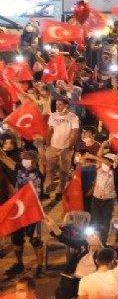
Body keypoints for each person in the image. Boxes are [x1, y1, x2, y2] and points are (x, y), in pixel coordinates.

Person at [5, 150, 45, 278]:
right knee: (16, 239)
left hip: (33, 211)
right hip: (19, 210)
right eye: (23, 158)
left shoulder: (39, 172)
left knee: (35, 240)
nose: (24, 160)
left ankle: (40, 266)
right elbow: (3, 157)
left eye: (27, 158)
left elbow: (43, 161)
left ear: (34, 161)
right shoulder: (18, 169)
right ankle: (19, 264)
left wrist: (40, 148)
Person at [44, 98, 79, 200]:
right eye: (56, 104)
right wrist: (48, 144)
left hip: (65, 148)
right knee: (50, 170)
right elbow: (49, 130)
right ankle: (46, 190)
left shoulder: (73, 117)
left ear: (66, 105)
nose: (57, 106)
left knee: (63, 171)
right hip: (53, 147)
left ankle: (60, 191)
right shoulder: (53, 116)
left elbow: (74, 133)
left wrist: (70, 146)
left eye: (60, 104)